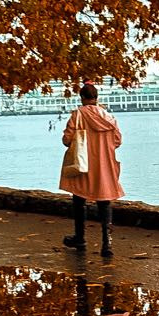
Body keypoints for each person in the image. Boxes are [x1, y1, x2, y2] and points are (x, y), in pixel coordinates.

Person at [60, 82, 122, 258]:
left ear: (82, 98)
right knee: (105, 201)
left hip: (83, 163)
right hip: (104, 163)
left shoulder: (77, 115)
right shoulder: (108, 117)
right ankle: (106, 243)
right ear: (96, 98)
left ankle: (80, 237)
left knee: (79, 199)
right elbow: (117, 141)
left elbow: (67, 140)